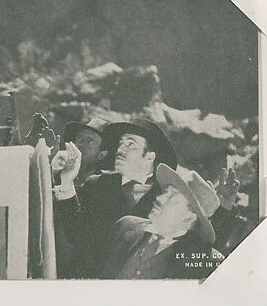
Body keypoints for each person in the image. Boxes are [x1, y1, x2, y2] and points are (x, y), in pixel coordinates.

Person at [52, 118, 239, 278]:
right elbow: (74, 230)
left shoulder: (170, 197)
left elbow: (197, 245)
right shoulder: (96, 184)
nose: (120, 149)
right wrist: (67, 183)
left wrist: (224, 208)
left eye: (130, 144)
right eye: (120, 143)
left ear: (150, 157)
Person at [102, 164, 224, 279]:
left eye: (172, 197)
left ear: (189, 218)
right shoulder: (126, 226)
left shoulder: (205, 263)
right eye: (165, 192)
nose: (159, 198)